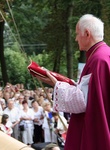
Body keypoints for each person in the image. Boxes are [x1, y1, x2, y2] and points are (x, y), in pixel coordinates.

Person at [34, 14, 110, 150]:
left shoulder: (98, 60)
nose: (75, 39)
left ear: (87, 33)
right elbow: (92, 93)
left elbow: (82, 100)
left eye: (77, 34)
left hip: (96, 131)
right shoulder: (105, 54)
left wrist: (57, 85)